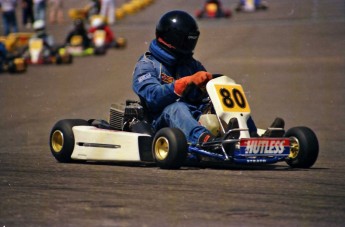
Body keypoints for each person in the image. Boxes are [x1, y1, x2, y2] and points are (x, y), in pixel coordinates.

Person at [132, 10, 221, 145]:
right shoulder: (147, 64)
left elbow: (204, 97)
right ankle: (205, 141)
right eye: (186, 41)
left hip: (193, 114)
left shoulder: (191, 64)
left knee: (220, 104)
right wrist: (183, 84)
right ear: (172, 38)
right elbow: (152, 97)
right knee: (177, 108)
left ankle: (248, 135)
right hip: (160, 121)